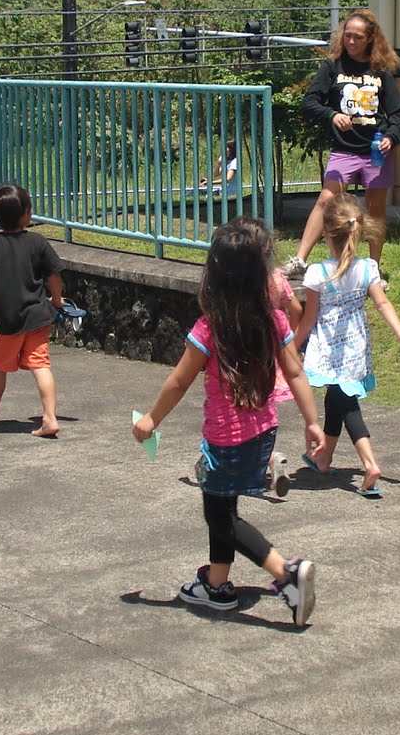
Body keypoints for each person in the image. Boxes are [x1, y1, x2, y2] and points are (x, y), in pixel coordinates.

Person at [133, 218, 324, 626]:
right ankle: (217, 584)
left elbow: (179, 380)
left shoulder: (211, 327)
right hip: (263, 433)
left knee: (220, 516)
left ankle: (286, 574)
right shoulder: (273, 319)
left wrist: (151, 419)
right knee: (222, 503)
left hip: (226, 439)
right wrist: (312, 421)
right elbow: (295, 373)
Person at [293, 193, 400, 497]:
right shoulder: (367, 269)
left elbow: (308, 321)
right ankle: (323, 458)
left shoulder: (317, 274)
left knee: (346, 403)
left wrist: (290, 348)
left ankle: (369, 462)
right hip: (355, 350)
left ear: (326, 233)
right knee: (337, 398)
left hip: (329, 350)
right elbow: (383, 304)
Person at [283, 10, 400, 279]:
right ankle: (299, 261)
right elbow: (310, 102)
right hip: (344, 150)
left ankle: (373, 269)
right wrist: (333, 114)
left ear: (370, 39)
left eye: (358, 37)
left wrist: (390, 138)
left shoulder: (381, 72)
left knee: (375, 210)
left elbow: (398, 114)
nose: (351, 41)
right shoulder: (332, 67)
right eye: (348, 35)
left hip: (375, 150)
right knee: (326, 200)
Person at [0, 185, 66, 435]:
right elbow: (53, 275)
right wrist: (56, 299)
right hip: (37, 316)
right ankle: (49, 417)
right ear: (26, 214)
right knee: (41, 364)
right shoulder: (38, 242)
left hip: (7, 320)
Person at [235, 217, 302, 497]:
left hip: (241, 360)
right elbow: (296, 310)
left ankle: (266, 459)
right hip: (269, 358)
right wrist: (291, 342)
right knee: (263, 413)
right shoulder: (277, 280)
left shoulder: (236, 283)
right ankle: (270, 458)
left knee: (237, 414)